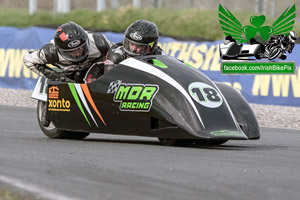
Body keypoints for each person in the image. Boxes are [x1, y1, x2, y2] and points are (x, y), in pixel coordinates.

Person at [23, 21, 113, 83]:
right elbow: (28, 58)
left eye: (80, 48)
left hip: (96, 68)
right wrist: (56, 77)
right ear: (61, 51)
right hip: (68, 75)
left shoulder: (98, 42)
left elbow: (117, 51)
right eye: (72, 52)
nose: (78, 54)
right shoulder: (51, 52)